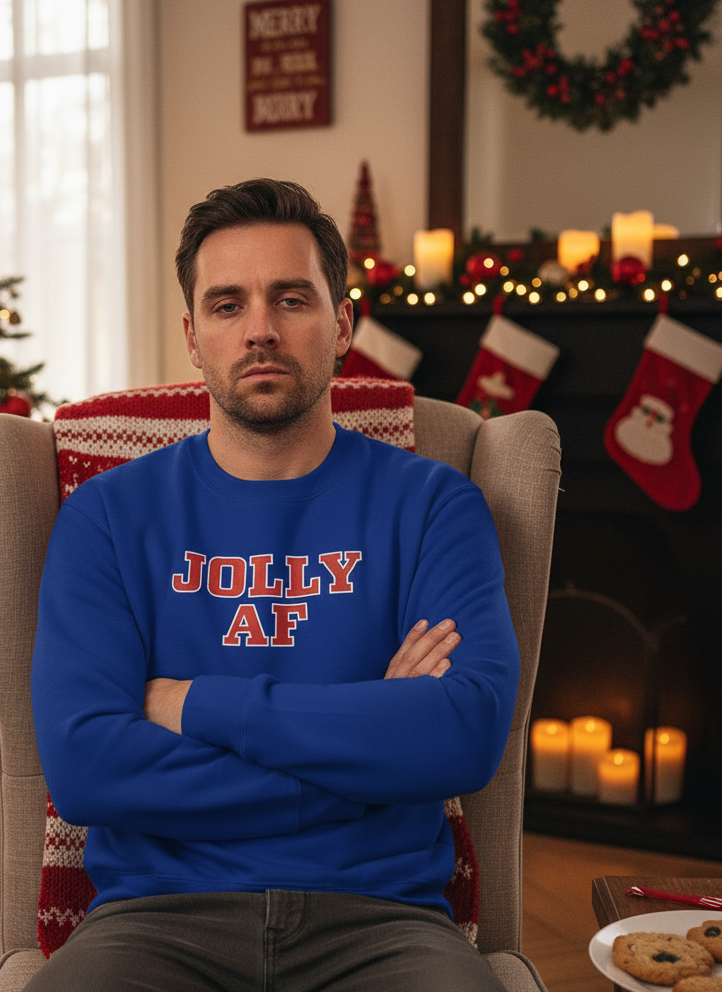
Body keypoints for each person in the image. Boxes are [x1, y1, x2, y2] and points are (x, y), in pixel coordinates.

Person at [27, 179, 518, 991]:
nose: (260, 329)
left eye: (291, 299)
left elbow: (463, 737)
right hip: (154, 922)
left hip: (385, 922)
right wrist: (374, 752)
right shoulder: (106, 517)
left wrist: (196, 705)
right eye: (228, 305)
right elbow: (86, 770)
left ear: (342, 325)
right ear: (193, 336)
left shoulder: (435, 506)